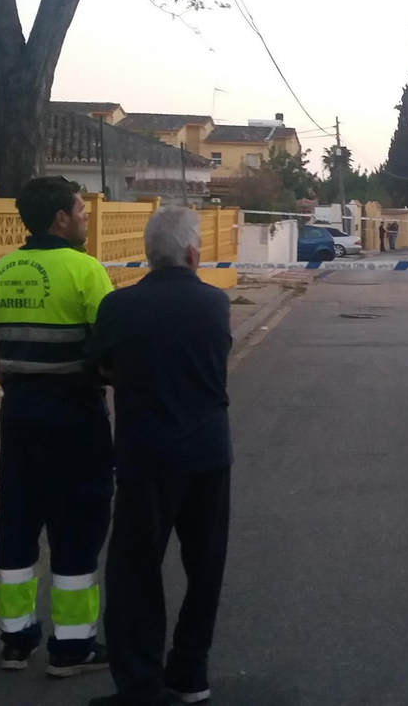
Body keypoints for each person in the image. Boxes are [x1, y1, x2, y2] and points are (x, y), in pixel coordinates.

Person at [87, 207, 234, 706]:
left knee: (135, 572)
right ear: (193, 254)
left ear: (148, 255)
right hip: (209, 454)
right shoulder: (216, 303)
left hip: (145, 456)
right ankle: (191, 673)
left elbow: (100, 366)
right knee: (205, 565)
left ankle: (140, 683)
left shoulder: (118, 306)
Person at [0, 176, 116, 676]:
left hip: (19, 415)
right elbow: (109, 348)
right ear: (60, 217)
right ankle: (72, 648)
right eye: (80, 208)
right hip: (75, 417)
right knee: (76, 526)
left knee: (17, 522)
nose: (85, 216)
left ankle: (16, 641)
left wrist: (19, 384)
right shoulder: (86, 271)